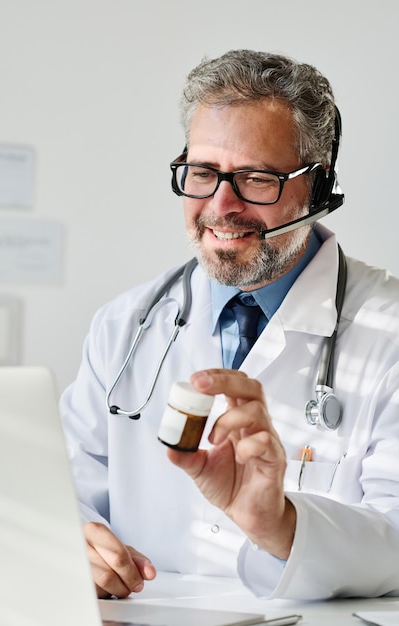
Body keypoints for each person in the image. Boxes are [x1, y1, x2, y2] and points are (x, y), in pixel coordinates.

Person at [60, 49, 399, 601]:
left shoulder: (389, 332)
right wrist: (73, 541)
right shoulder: (124, 327)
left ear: (318, 187)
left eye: (256, 178)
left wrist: (283, 526)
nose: (221, 205)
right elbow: (67, 487)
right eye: (203, 173)